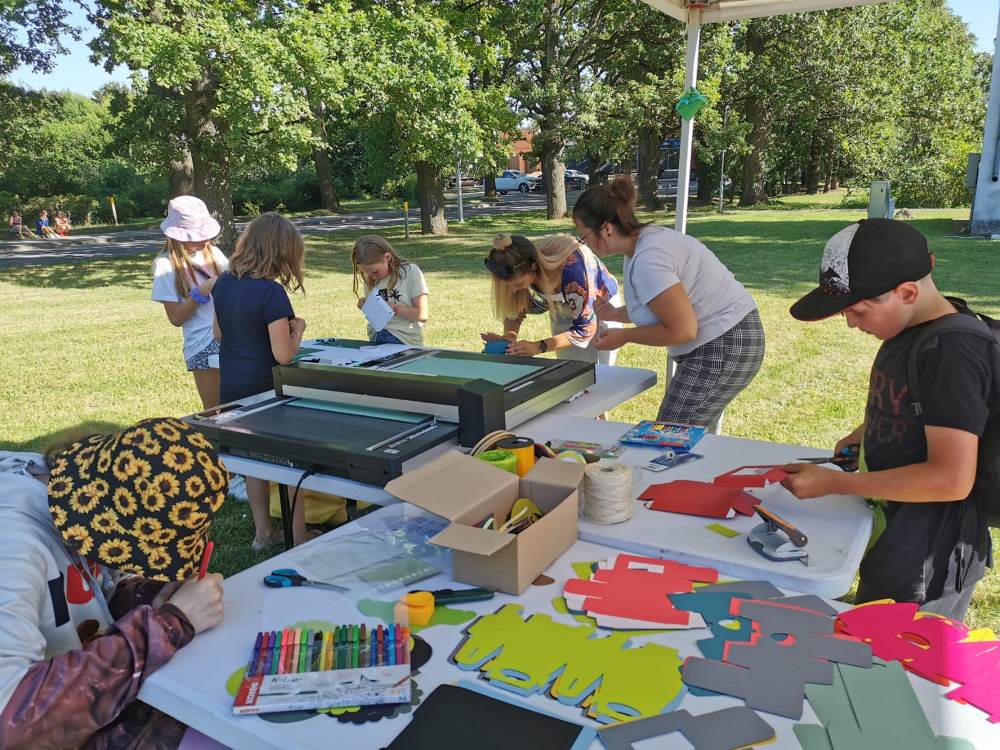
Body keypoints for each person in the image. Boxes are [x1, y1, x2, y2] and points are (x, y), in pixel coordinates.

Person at [781, 218, 994, 621]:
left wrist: (836, 483)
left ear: (907, 292)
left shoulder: (951, 352)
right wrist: (865, 433)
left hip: (928, 552)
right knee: (868, 628)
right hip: (899, 526)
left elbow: (951, 478)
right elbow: (920, 405)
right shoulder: (911, 328)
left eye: (857, 311)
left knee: (892, 649)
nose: (850, 322)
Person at [0, 418, 227, 749]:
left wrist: (150, 595)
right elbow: (12, 721)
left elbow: (95, 590)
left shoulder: (72, 497)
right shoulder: (14, 549)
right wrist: (169, 624)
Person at [572, 176, 764, 429]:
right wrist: (615, 314)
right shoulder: (642, 246)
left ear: (606, 228)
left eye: (584, 236)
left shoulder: (649, 258)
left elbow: (682, 330)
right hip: (728, 339)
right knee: (686, 436)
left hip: (724, 343)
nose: (584, 244)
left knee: (669, 435)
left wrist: (625, 336)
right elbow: (663, 305)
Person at [212, 212, 307, 549]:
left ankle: (263, 533)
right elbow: (283, 355)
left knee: (253, 461)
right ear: (282, 252)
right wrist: (298, 330)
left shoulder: (224, 283)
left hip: (232, 386)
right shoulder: (271, 293)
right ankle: (298, 534)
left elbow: (219, 334)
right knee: (290, 461)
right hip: (265, 390)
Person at [481, 233, 623, 364]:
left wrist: (539, 347)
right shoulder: (515, 269)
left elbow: (585, 329)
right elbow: (516, 310)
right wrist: (509, 339)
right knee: (572, 368)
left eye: (518, 284)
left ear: (533, 267)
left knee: (601, 371)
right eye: (508, 285)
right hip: (563, 308)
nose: (512, 290)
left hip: (602, 307)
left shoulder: (574, 272)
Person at [152, 196, 229, 410]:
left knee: (240, 405)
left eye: (205, 234)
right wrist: (201, 292)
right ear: (177, 236)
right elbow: (175, 318)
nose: (205, 240)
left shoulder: (214, 253)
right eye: (197, 235)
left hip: (230, 335)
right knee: (215, 412)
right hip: (202, 344)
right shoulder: (165, 265)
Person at [352, 235, 428, 346]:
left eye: (375, 271)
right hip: (376, 337)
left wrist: (395, 310)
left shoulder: (410, 272)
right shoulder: (370, 277)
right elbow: (375, 316)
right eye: (366, 273)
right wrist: (366, 305)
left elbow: (422, 315)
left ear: (387, 257)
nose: (371, 276)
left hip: (404, 339)